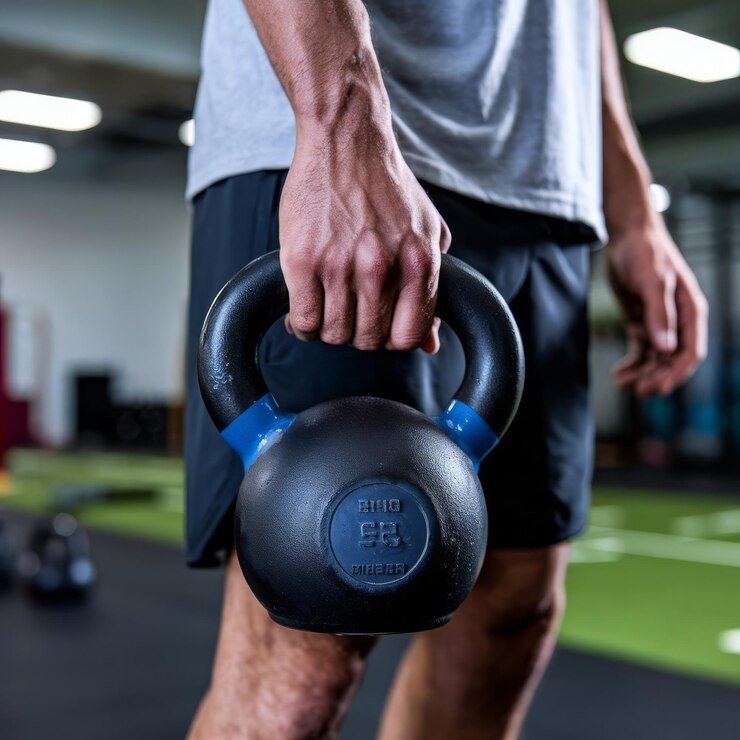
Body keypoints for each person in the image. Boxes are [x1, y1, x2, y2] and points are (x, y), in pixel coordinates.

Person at [184, 0, 708, 737]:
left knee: (512, 610)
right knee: (308, 648)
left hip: (545, 186)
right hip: (339, 136)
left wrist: (633, 212)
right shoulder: (339, 129)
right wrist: (341, 126)